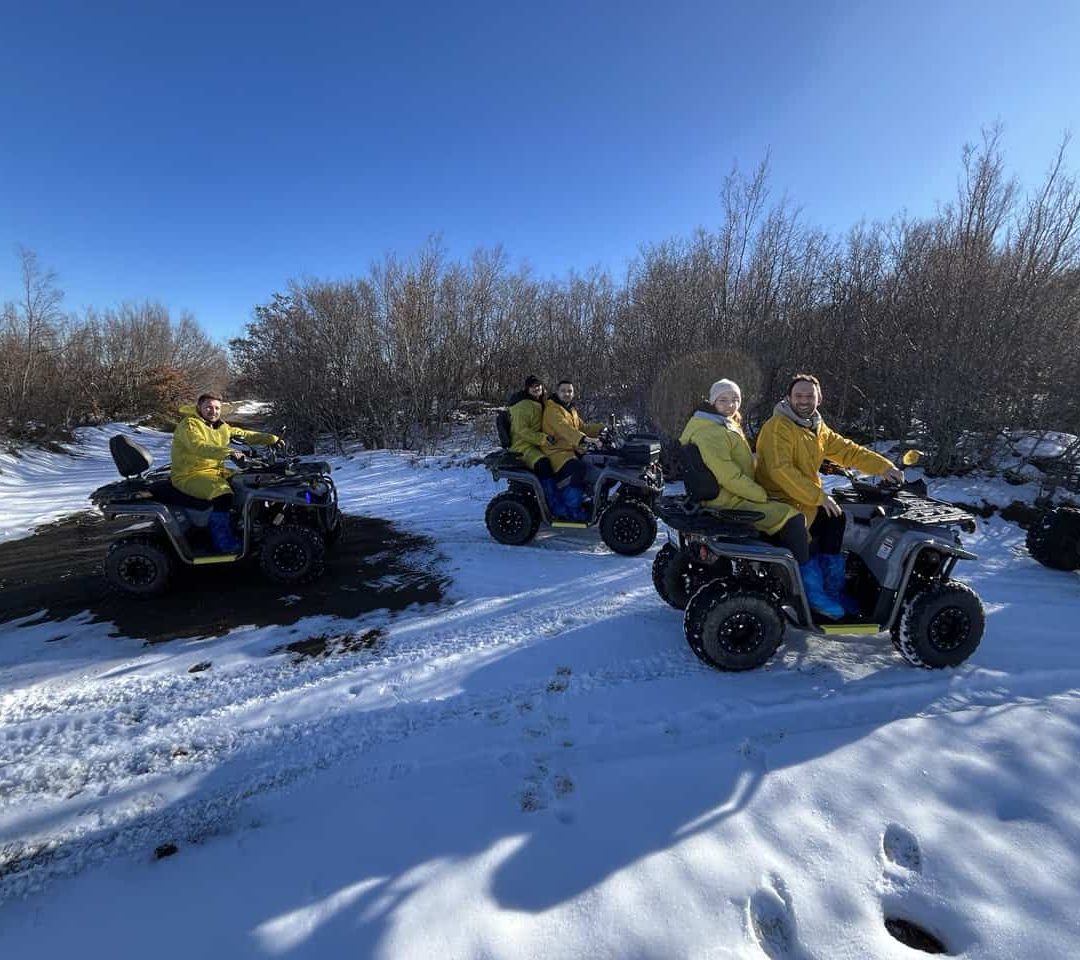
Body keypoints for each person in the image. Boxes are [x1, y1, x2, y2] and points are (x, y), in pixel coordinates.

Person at [680, 379, 842, 617]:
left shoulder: (719, 424)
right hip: (730, 499)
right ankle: (807, 593)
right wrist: (760, 493)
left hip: (729, 494)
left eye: (735, 399)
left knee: (790, 513)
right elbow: (729, 475)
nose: (731, 405)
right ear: (713, 401)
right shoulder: (711, 431)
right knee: (793, 518)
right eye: (723, 400)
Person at [755, 373, 903, 615]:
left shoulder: (816, 426)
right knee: (806, 529)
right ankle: (812, 594)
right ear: (788, 398)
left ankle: (832, 591)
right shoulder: (777, 427)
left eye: (809, 396)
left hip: (804, 499)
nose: (804, 400)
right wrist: (819, 496)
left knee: (837, 518)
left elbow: (848, 451)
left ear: (819, 398)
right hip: (779, 501)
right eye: (799, 396)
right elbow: (780, 469)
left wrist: (885, 467)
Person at [171, 393, 280, 553]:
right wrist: (229, 453)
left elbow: (244, 434)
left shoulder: (221, 426)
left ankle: (245, 526)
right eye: (208, 407)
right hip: (189, 474)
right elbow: (199, 447)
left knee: (247, 482)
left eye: (217, 408)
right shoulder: (190, 425)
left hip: (215, 472)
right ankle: (224, 543)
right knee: (223, 494)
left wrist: (272, 439)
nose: (213, 411)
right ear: (199, 407)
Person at [541, 379, 604, 521]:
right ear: (557, 392)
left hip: (570, 450)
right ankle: (571, 508)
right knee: (579, 468)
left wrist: (602, 428)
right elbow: (565, 429)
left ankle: (587, 497)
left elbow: (582, 428)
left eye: (569, 391)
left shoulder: (570, 409)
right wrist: (586, 439)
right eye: (563, 391)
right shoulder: (552, 409)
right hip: (556, 452)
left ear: (573, 393)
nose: (566, 394)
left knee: (594, 462)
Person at [507, 375, 559, 512]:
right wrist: (543, 438)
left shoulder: (541, 401)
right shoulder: (522, 406)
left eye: (538, 385)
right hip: (523, 446)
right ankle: (551, 503)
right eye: (533, 386)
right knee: (544, 464)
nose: (536, 388)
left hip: (539, 443)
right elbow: (521, 431)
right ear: (527, 389)